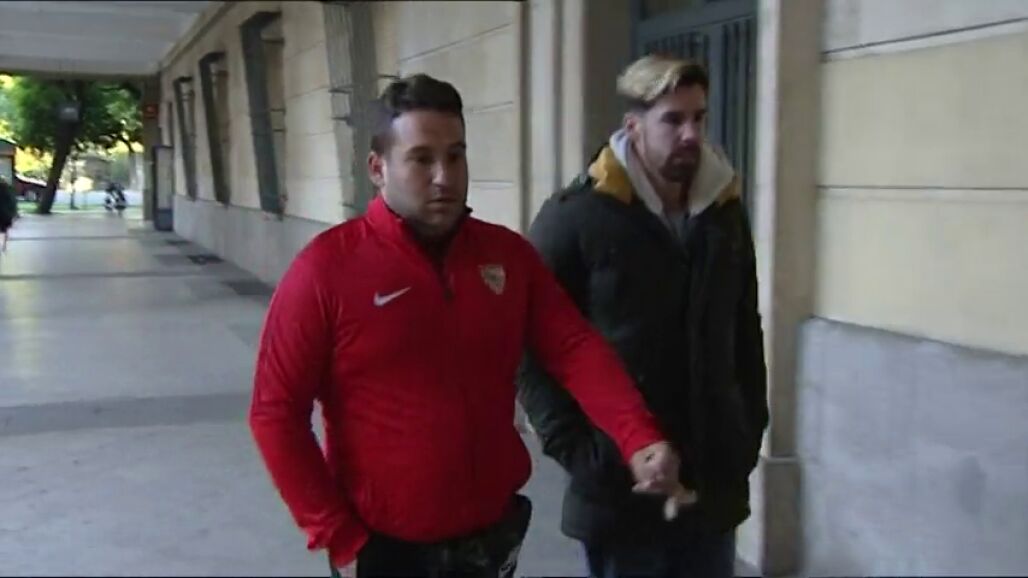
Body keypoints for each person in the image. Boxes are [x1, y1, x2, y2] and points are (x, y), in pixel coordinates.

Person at [249, 73, 689, 578]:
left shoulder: (506, 256)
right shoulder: (326, 270)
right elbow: (275, 413)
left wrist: (638, 435)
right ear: (378, 168)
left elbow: (573, 347)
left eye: (455, 156)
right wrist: (336, 536)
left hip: (491, 537)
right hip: (383, 549)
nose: (444, 176)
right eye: (422, 159)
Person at [516, 54, 770, 578]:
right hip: (621, 492)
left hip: (711, 487)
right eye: (672, 120)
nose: (690, 134)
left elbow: (745, 327)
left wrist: (746, 432)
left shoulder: (723, 212)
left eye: (698, 118)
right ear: (633, 127)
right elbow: (526, 339)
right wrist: (583, 452)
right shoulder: (575, 216)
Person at [0, 177, 18, 253]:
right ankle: (4, 245)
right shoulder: (9, 190)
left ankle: (3, 245)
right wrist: (14, 213)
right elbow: (13, 202)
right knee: (5, 230)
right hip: (6, 214)